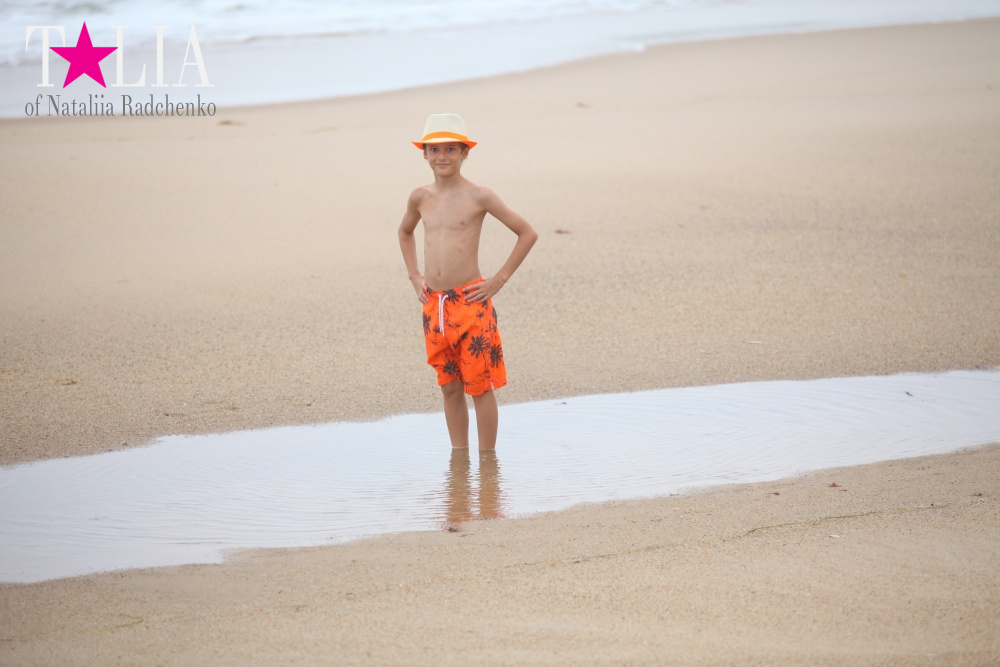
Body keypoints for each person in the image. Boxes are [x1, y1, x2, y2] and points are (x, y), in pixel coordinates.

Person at [398, 113, 537, 450]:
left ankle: (487, 462)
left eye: (450, 149)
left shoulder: (479, 196)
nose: (442, 156)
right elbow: (405, 231)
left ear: (465, 153)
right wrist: (415, 275)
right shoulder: (420, 197)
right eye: (434, 150)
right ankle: (459, 459)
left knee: (479, 385)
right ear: (425, 154)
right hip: (435, 306)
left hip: (471, 303)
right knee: (449, 386)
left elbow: (527, 233)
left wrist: (498, 280)